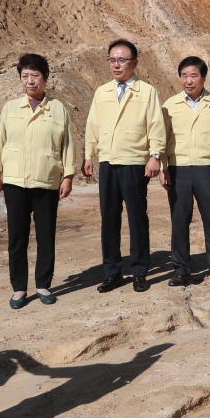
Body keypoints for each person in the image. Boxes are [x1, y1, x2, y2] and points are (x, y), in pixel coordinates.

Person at [0, 53, 75, 309]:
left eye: (35, 75)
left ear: (45, 78)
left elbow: (68, 145)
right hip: (15, 181)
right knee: (17, 237)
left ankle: (43, 284)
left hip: (46, 181)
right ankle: (19, 288)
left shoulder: (58, 109)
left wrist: (68, 176)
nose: (30, 80)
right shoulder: (10, 109)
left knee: (46, 236)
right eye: (25, 75)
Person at [83, 39, 166, 294]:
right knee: (109, 219)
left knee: (137, 218)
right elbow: (92, 126)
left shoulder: (147, 91)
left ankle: (140, 271)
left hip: (134, 162)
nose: (116, 65)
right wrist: (89, 155)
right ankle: (113, 272)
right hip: (108, 161)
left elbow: (156, 125)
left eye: (122, 60)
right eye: (112, 60)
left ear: (135, 63)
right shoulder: (102, 92)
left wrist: (155, 156)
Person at [161, 56, 210, 286]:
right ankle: (181, 270)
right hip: (178, 169)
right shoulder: (170, 105)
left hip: (207, 169)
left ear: (204, 77)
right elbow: (161, 139)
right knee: (180, 221)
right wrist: (163, 167)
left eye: (194, 75)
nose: (188, 80)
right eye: (184, 75)